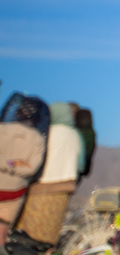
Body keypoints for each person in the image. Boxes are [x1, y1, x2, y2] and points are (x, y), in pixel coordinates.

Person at [13, 102, 82, 247]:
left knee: (30, 234)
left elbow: (36, 160)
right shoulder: (75, 135)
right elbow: (80, 164)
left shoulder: (47, 132)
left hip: (42, 189)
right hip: (65, 189)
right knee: (50, 233)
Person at [0, 94, 49, 246]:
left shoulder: (2, 130)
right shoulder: (39, 140)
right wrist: (15, 165)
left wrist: (5, 164)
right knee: (2, 231)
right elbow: (32, 169)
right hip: (14, 192)